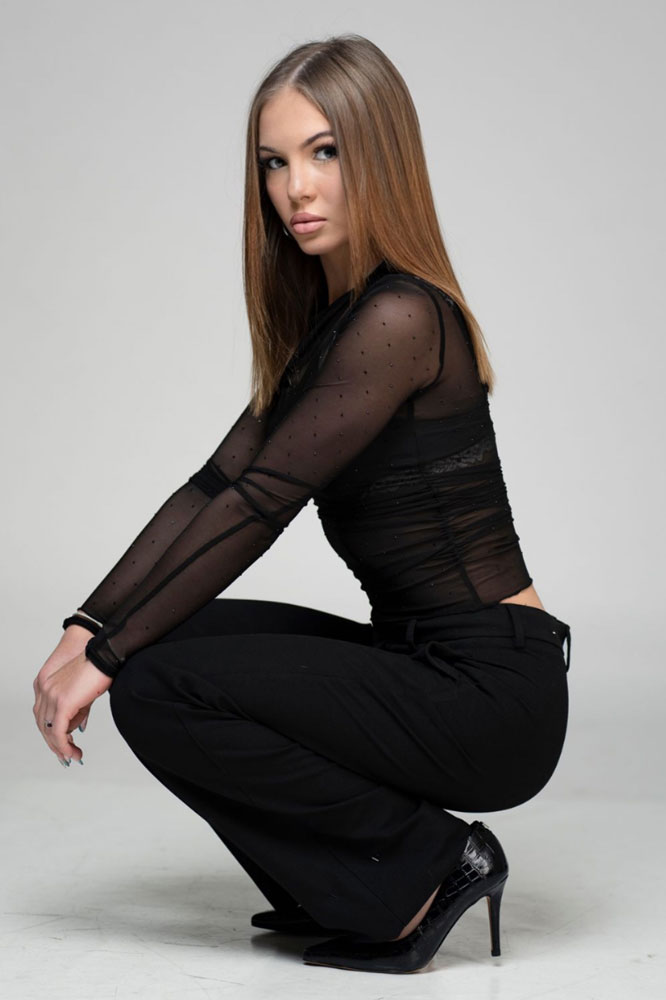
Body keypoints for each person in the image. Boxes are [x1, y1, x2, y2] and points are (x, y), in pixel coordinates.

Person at [33, 34, 572, 974]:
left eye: (325, 152)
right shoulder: (332, 326)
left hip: (490, 694)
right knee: (163, 647)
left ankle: (429, 869)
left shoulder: (402, 316)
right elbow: (213, 486)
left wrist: (109, 658)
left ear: (382, 156)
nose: (297, 188)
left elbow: (263, 501)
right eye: (274, 163)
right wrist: (91, 625)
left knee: (152, 682)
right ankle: (343, 882)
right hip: (422, 662)